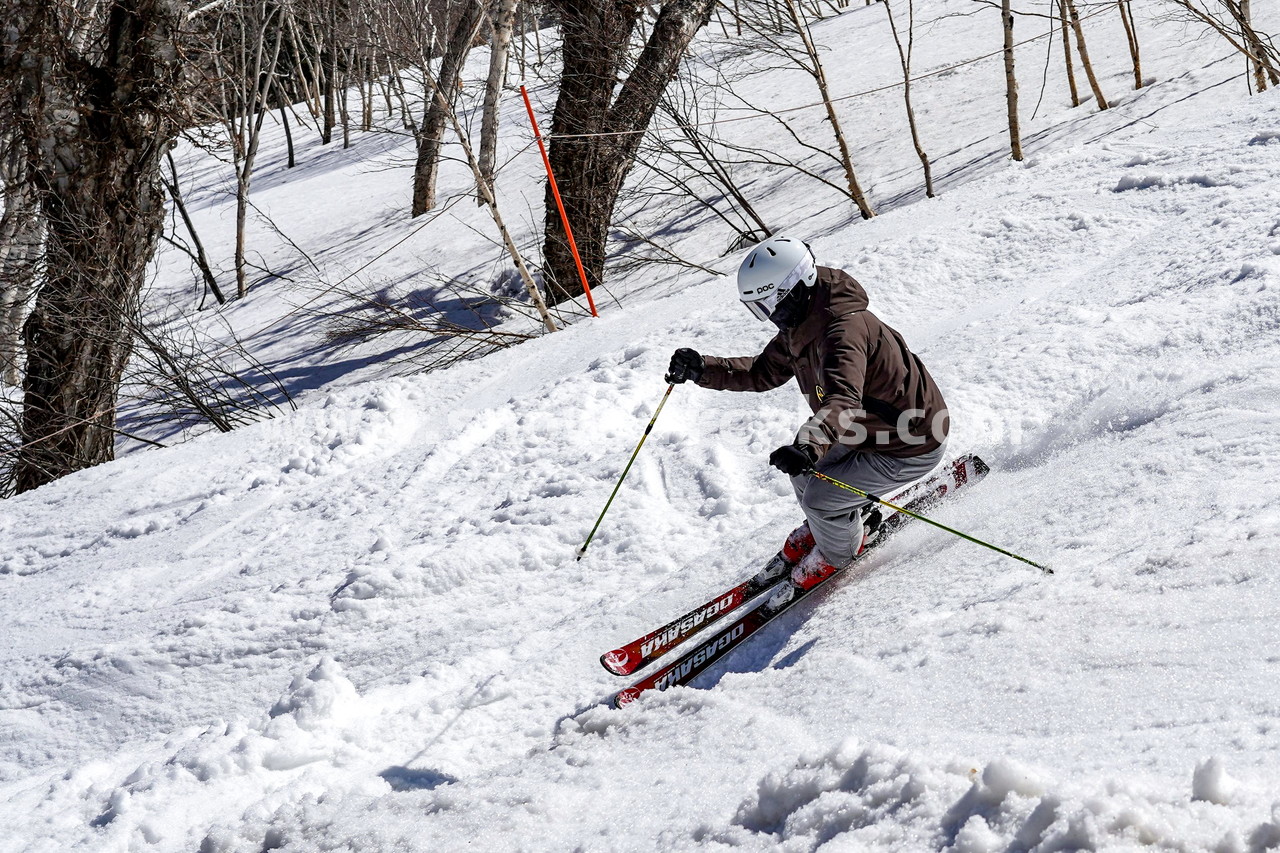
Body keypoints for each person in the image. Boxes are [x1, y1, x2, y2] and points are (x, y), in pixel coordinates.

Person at [665, 235, 949, 596]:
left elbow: (843, 399)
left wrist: (809, 446)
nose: (771, 315)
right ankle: (833, 523)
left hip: (910, 440)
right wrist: (702, 368)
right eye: (760, 307)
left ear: (798, 287)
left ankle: (839, 553)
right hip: (870, 431)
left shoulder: (843, 333)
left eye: (772, 303)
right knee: (807, 477)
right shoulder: (803, 322)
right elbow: (762, 371)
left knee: (819, 496)